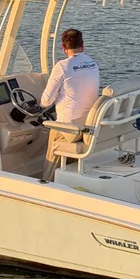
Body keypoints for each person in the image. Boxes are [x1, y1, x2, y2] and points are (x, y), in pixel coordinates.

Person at [40, 29, 100, 181]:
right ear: (83, 45)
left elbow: (46, 101)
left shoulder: (62, 66)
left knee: (53, 134)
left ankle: (46, 182)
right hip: (87, 125)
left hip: (68, 129)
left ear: (63, 47)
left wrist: (39, 105)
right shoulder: (92, 63)